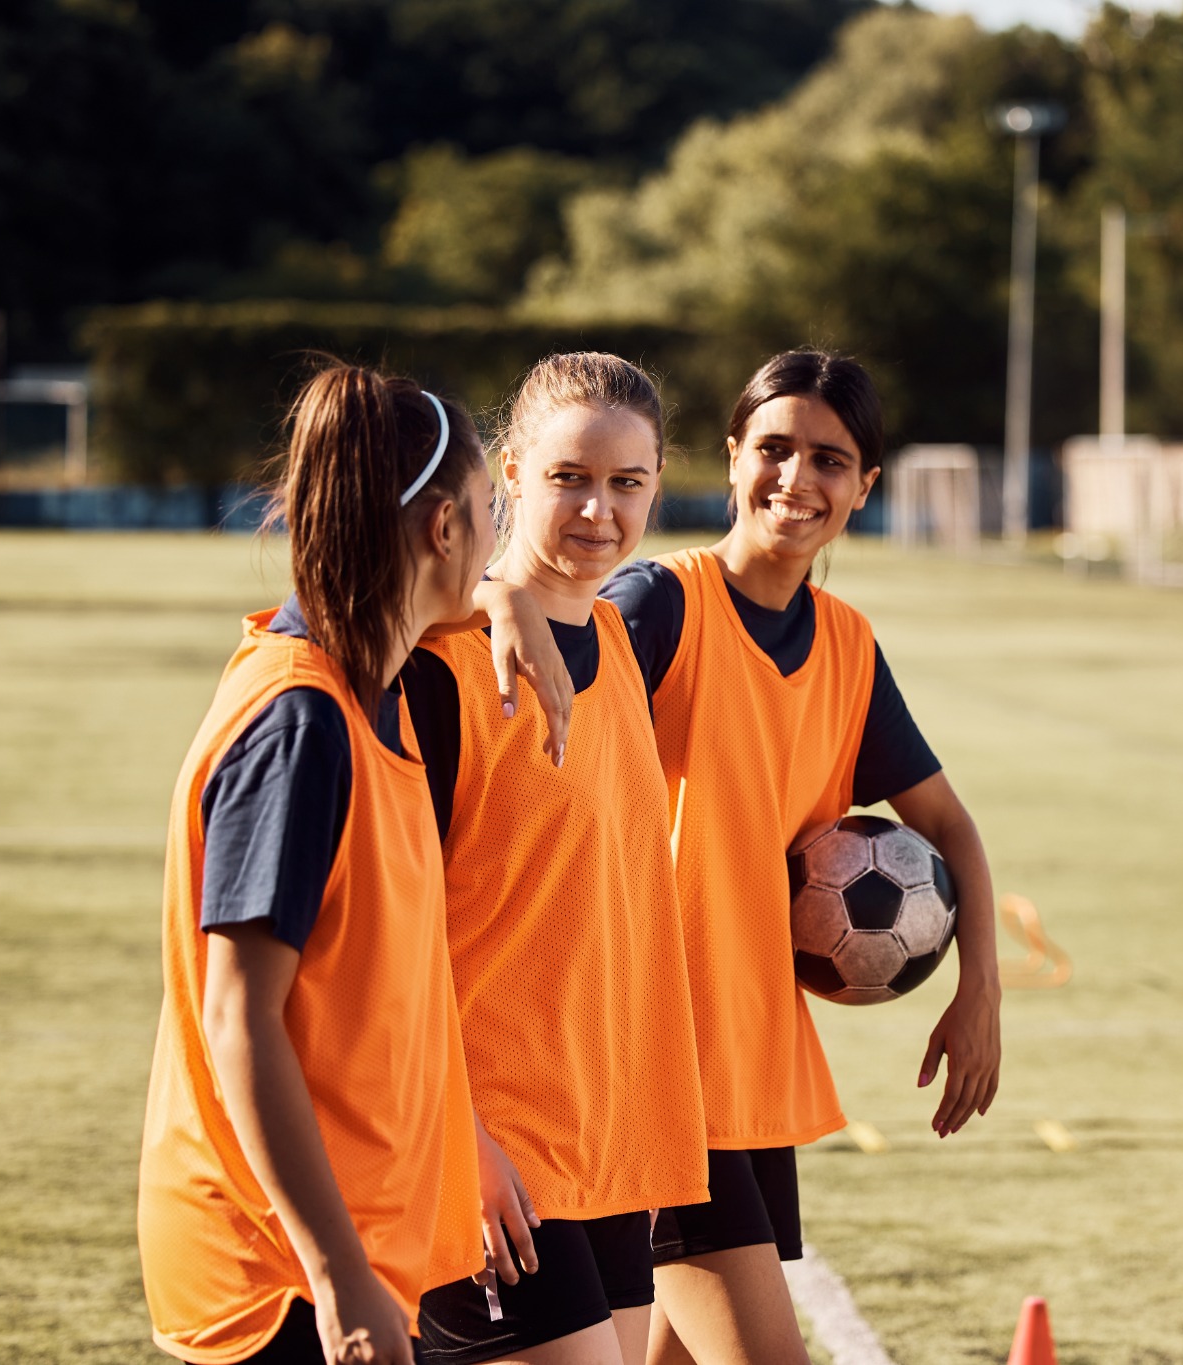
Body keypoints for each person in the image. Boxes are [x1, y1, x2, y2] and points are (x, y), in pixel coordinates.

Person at [138, 363, 570, 1365]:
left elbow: (463, 601)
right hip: (281, 1273)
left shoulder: (370, 680)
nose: (502, 537)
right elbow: (239, 1018)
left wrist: (506, 605)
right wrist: (336, 1276)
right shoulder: (301, 724)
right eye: (489, 511)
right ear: (441, 531)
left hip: (347, 1248)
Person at [600, 350, 1004, 1365]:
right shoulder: (655, 604)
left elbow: (951, 829)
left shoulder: (847, 646)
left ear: (863, 487)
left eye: (829, 459)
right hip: (647, 1054)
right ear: (731, 456)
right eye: (772, 449)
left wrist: (979, 989)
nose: (796, 478)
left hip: (744, 1054)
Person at [408, 353, 709, 1365]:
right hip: (487, 1149)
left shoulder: (620, 643)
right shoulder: (445, 666)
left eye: (627, 484)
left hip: (608, 1141)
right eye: (568, 478)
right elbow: (380, 943)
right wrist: (462, 1141)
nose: (598, 511)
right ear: (508, 474)